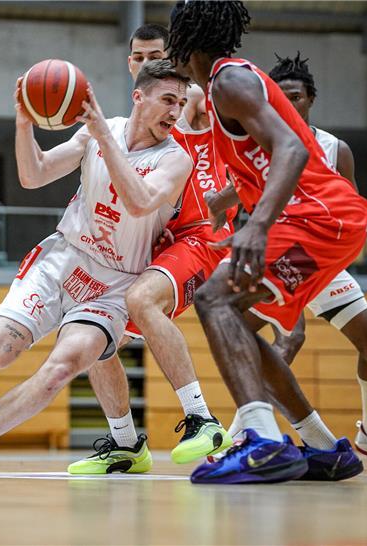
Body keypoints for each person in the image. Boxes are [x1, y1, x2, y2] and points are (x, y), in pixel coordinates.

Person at [0, 60, 193, 478]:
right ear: (139, 96)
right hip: (64, 259)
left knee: (61, 369)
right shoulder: (98, 131)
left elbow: (140, 201)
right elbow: (34, 175)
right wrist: (24, 122)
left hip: (114, 284)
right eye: (168, 100)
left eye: (181, 103)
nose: (176, 112)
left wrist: (102, 134)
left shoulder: (176, 159)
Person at [167, 0, 367, 484]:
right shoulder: (228, 87)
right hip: (324, 221)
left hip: (317, 220)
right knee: (231, 314)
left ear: (183, 40)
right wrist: (224, 203)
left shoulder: (228, 81)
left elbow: (293, 149)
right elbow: (268, 155)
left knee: (213, 299)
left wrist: (256, 225)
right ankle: (325, 448)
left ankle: (261, 443)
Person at [205, 52, 367, 466]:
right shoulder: (257, 130)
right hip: (279, 249)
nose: (290, 103)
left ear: (311, 99)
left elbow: (348, 202)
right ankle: (249, 431)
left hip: (316, 255)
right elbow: (254, 180)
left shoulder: (333, 148)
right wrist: (224, 199)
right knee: (247, 329)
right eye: (283, 97)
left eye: (297, 97)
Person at [69, 23, 235, 474]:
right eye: (140, 58)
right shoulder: (123, 127)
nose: (148, 63)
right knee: (93, 333)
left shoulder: (191, 101)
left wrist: (231, 195)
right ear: (131, 67)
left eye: (157, 55)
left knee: (141, 300)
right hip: (151, 239)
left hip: (197, 234)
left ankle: (202, 417)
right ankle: (126, 444)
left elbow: (246, 149)